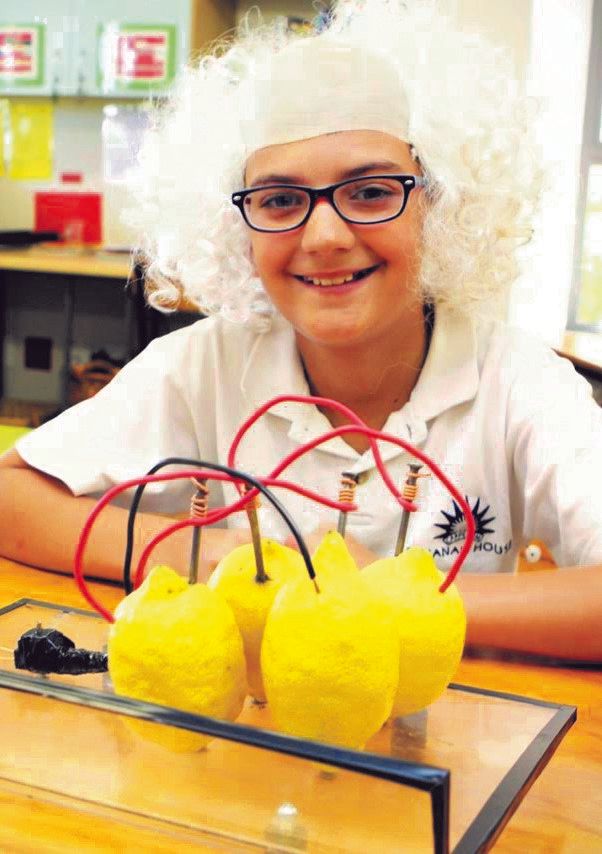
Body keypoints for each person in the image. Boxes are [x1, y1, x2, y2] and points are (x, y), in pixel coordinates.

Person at [0, 0, 600, 660]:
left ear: (438, 201)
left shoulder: (517, 381)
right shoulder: (206, 365)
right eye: (280, 200)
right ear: (240, 222)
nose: (323, 237)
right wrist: (203, 552)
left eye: (371, 192)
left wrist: (384, 595)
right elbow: (11, 496)